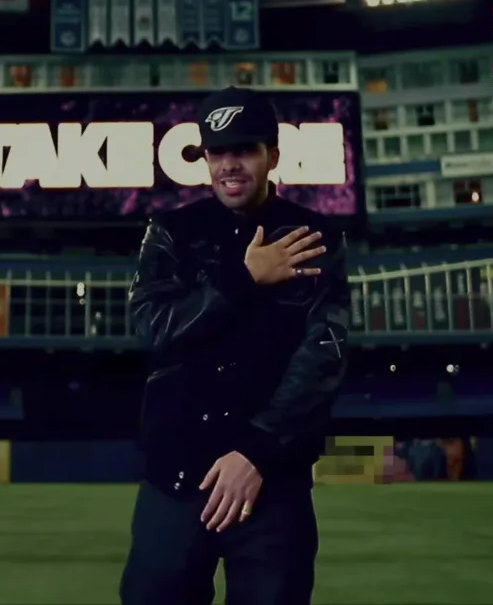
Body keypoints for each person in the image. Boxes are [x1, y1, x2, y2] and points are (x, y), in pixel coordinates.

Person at [121, 87, 351, 605]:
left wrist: (257, 450)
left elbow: (324, 354)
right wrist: (244, 279)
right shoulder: (173, 231)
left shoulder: (315, 235)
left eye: (244, 150)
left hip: (273, 479)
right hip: (176, 477)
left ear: (273, 155)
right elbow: (151, 327)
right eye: (217, 152)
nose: (229, 164)